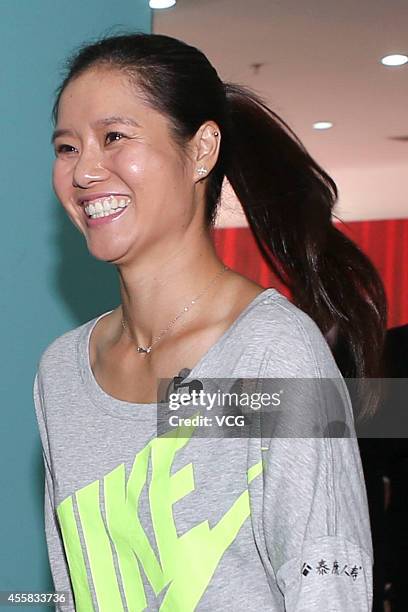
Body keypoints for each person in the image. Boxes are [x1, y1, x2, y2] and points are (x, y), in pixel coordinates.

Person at [33, 32, 387, 611]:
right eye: (67, 147)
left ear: (201, 149)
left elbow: (329, 585)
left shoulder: (272, 355)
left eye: (114, 137)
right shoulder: (62, 373)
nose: (84, 171)